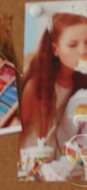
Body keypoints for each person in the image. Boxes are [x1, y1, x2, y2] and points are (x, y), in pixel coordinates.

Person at [18, 9, 87, 180]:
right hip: (34, 155)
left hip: (64, 158)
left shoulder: (81, 83)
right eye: (73, 45)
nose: (83, 51)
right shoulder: (38, 84)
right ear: (55, 49)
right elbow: (20, 127)